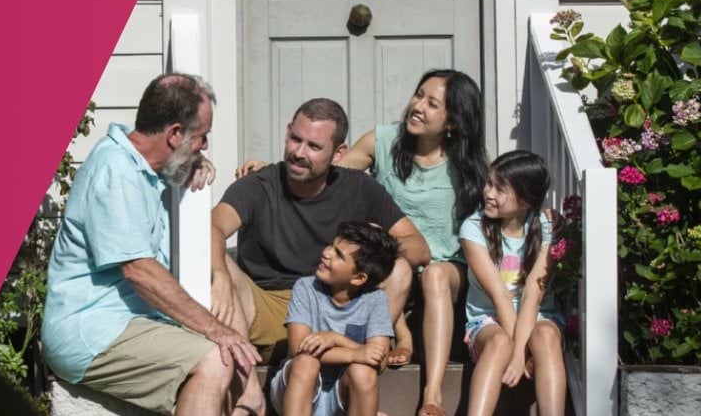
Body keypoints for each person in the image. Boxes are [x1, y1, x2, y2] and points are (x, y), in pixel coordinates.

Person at [236, 70, 487, 416]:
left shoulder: (468, 166)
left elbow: (496, 212)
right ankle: (379, 344)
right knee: (385, 257)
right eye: (418, 95)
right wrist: (277, 171)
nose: (417, 106)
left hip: (442, 269)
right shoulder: (382, 141)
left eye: (432, 104)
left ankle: (431, 394)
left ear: (453, 122)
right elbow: (327, 168)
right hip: (388, 269)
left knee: (432, 274)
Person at [41, 73, 262, 416]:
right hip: (90, 331)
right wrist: (214, 328)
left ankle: (252, 396)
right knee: (214, 359)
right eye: (201, 137)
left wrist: (194, 160)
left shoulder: (141, 164)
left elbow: (172, 168)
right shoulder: (116, 172)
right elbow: (138, 270)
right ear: (175, 134)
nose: (205, 146)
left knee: (229, 281)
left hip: (126, 323)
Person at [207, 98, 431, 376]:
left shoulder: (360, 187)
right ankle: (242, 380)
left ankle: (364, 363)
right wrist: (219, 274)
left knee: (397, 267)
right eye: (295, 139)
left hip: (338, 310)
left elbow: (419, 248)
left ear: (339, 153)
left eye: (314, 146)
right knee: (220, 262)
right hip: (269, 308)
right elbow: (212, 226)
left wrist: (362, 249)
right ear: (288, 132)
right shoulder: (257, 185)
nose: (300, 152)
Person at [457, 151, 566, 416]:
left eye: (499, 188)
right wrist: (517, 354)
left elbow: (532, 295)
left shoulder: (547, 226)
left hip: (537, 317)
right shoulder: (473, 228)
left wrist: (524, 352)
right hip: (490, 320)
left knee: (546, 335)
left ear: (527, 200)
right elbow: (500, 296)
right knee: (499, 343)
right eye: (489, 183)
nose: (488, 193)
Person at [270, 222, 400, 416]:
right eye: (331, 245)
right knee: (307, 362)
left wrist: (336, 339)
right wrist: (355, 352)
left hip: (341, 393)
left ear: (358, 278)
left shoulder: (375, 299)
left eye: (339, 254)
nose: (327, 253)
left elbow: (378, 360)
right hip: (299, 389)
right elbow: (299, 348)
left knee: (364, 372)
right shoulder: (306, 288)